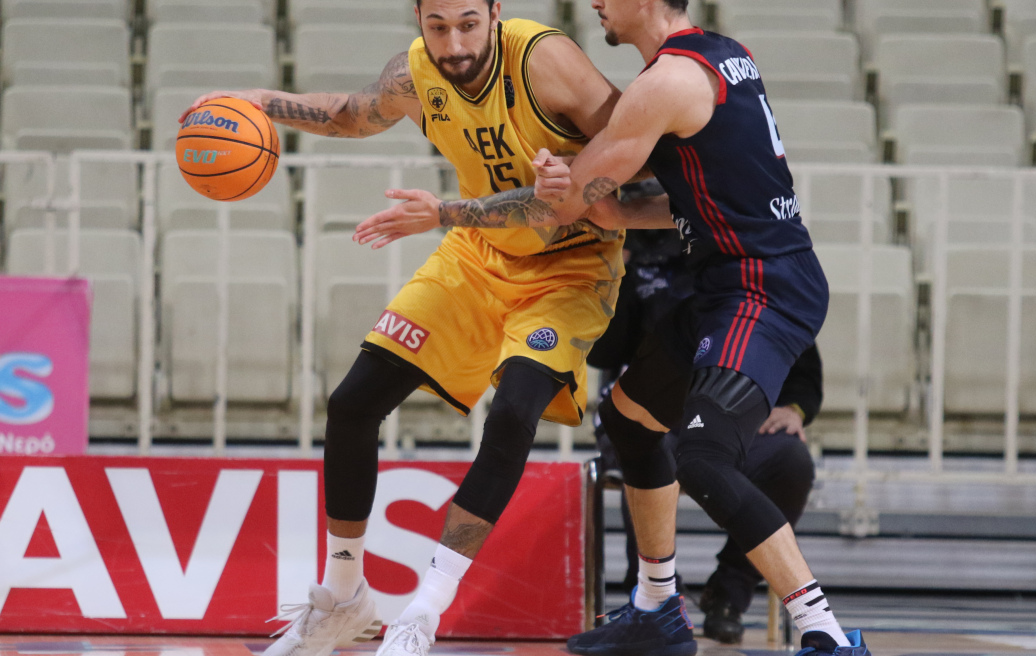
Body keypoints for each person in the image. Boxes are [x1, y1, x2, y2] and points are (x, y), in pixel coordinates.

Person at [348, 0, 872, 655]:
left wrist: (495, 200)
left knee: (705, 457)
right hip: (723, 276)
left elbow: (563, 205)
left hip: (759, 284)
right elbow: (678, 199)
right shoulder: (723, 52)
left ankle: (824, 633)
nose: (595, 1)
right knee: (628, 421)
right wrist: (611, 208)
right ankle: (657, 608)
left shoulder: (665, 85)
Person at [181, 3, 626, 656]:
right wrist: (258, 101)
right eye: (437, 24)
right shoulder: (415, 74)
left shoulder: (546, 61)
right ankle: (342, 596)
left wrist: (576, 177)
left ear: (497, 12)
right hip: (478, 253)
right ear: (418, 17)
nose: (453, 41)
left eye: (469, 23)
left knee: (512, 416)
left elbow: (635, 151)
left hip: (570, 265)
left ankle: (425, 608)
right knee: (352, 404)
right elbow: (349, 115)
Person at [589, 219, 823, 645]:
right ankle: (655, 599)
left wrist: (795, 409)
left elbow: (801, 359)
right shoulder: (635, 258)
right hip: (655, 411)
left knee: (789, 461)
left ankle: (729, 595)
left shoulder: (745, 258)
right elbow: (602, 351)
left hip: (731, 413)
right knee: (643, 444)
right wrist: (615, 271)